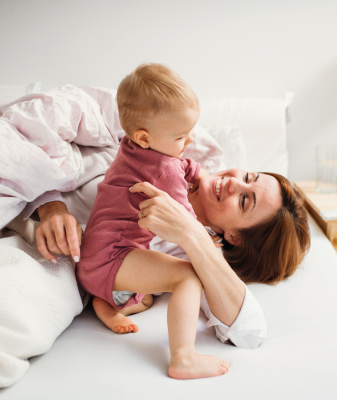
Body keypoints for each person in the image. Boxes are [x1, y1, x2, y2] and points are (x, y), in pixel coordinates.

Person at [76, 63, 232, 380]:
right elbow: (184, 223)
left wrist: (196, 171)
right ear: (145, 137)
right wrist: (209, 243)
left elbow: (175, 161)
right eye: (181, 135)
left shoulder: (132, 147)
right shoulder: (166, 173)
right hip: (112, 259)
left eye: (191, 131)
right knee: (188, 277)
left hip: (94, 258)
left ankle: (110, 303)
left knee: (149, 294)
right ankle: (183, 357)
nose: (189, 140)